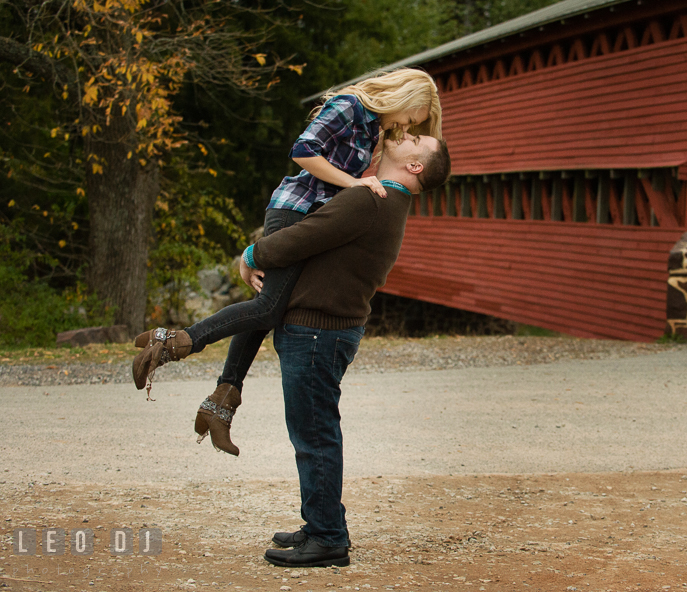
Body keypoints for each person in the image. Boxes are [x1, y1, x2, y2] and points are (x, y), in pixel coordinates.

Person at [131, 68, 443, 456]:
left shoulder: (372, 125)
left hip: (311, 214)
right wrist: (355, 183)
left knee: (268, 311)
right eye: (411, 117)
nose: (405, 125)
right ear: (404, 96)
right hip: (294, 209)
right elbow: (302, 149)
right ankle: (176, 341)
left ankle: (221, 402)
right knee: (267, 307)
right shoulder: (352, 106)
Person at [250, 131, 449, 568]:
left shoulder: (369, 199)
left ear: (415, 166)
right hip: (327, 329)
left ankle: (327, 538)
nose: (406, 133)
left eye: (417, 138)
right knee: (314, 431)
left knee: (314, 434)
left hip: (318, 330)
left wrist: (251, 254)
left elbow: (302, 237)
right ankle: (321, 521)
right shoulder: (385, 200)